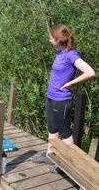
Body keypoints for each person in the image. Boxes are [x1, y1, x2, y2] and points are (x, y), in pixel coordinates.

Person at [32, 24, 95, 172]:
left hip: (62, 100)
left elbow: (90, 72)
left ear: (58, 40)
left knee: (65, 131)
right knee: (52, 128)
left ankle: (67, 163)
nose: (49, 39)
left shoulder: (71, 55)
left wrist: (70, 83)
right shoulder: (60, 52)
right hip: (51, 96)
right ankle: (50, 154)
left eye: (51, 37)